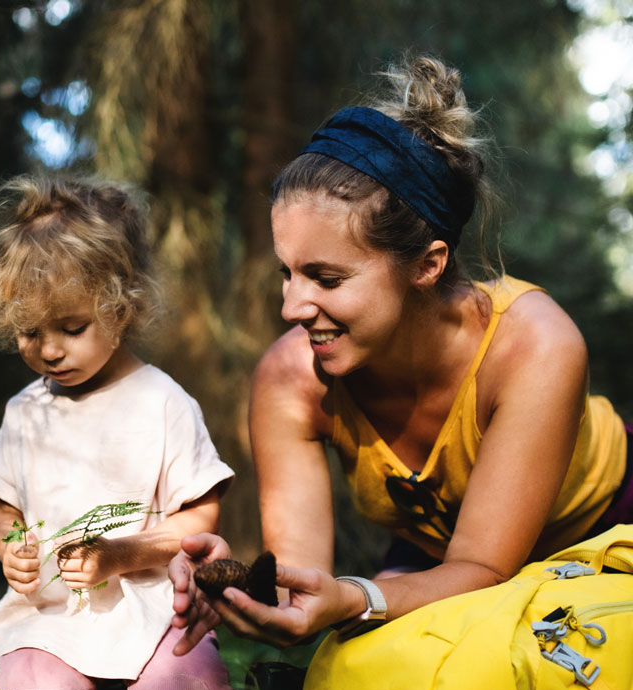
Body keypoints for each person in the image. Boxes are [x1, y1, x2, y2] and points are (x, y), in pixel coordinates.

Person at [170, 56, 632, 654]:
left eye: (326, 279)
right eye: (287, 274)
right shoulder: (291, 380)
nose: (291, 307)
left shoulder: (534, 346)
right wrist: (238, 585)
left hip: (604, 531)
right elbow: (303, 594)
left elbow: (484, 571)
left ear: (427, 264)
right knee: (369, 659)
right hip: (441, 558)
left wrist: (364, 597)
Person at [0, 174, 234, 690]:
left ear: (122, 305)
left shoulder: (163, 403)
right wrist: (7, 545)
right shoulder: (26, 411)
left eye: (72, 326)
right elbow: (5, 506)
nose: (50, 350)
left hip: (153, 609)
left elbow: (199, 519)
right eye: (30, 332)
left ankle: (148, 688)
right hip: (55, 616)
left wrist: (118, 556)